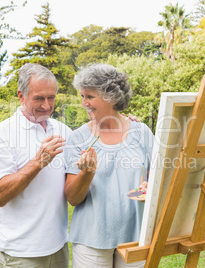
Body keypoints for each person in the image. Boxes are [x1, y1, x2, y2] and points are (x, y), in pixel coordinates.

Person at [64, 64, 154, 267]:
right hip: (91, 241)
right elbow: (73, 198)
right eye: (82, 96)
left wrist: (151, 187)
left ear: (111, 97)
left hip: (135, 238)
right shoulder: (78, 138)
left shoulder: (141, 132)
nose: (83, 103)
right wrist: (87, 173)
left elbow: (158, 180)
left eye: (89, 96)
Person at [0, 63, 71, 267]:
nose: (47, 105)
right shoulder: (3, 133)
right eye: (39, 98)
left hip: (59, 246)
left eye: (51, 97)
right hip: (21, 253)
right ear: (21, 96)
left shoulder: (64, 130)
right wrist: (37, 162)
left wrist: (127, 123)